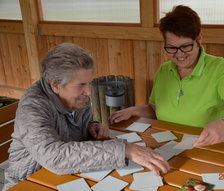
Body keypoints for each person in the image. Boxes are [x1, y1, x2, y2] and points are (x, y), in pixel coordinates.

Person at [3, 43, 169, 190]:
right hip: (28, 182)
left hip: (70, 176)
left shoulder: (74, 96)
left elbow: (74, 128)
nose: (89, 92)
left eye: (89, 83)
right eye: (81, 85)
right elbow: (54, 156)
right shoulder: (32, 108)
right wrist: (124, 149)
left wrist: (91, 126)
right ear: (55, 85)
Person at [109, 5, 224, 147]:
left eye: (185, 46)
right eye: (172, 48)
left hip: (207, 146)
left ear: (199, 38)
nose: (179, 55)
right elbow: (155, 109)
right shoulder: (164, 71)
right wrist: (132, 111)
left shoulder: (220, 68)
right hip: (168, 144)